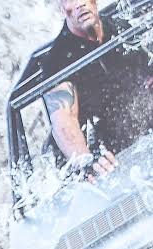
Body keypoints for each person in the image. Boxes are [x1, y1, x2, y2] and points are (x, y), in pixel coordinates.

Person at [42, 0, 153, 182]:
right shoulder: (57, 62)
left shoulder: (124, 29)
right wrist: (85, 161)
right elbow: (64, 122)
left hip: (142, 137)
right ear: (62, 9)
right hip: (106, 159)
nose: (80, 4)